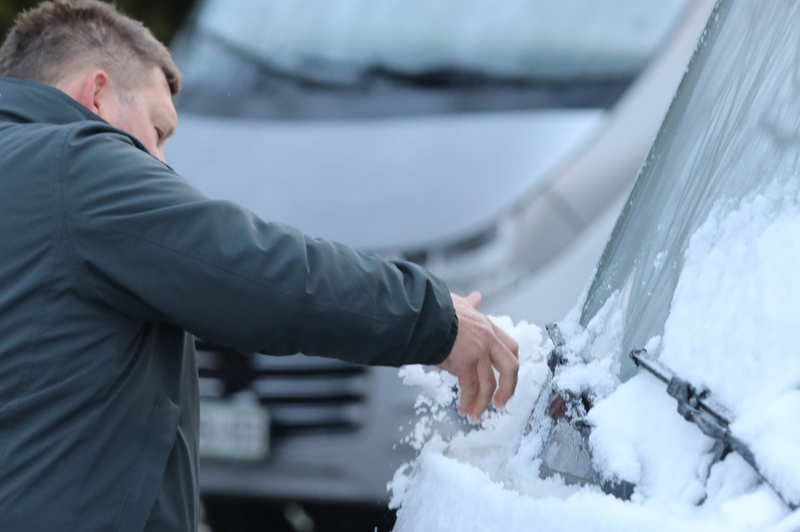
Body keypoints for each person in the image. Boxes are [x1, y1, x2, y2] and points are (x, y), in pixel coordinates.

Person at [0, 1, 519, 530]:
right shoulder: (76, 165)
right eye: (157, 132)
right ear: (97, 94)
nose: (159, 164)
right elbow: (261, 272)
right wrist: (432, 318)